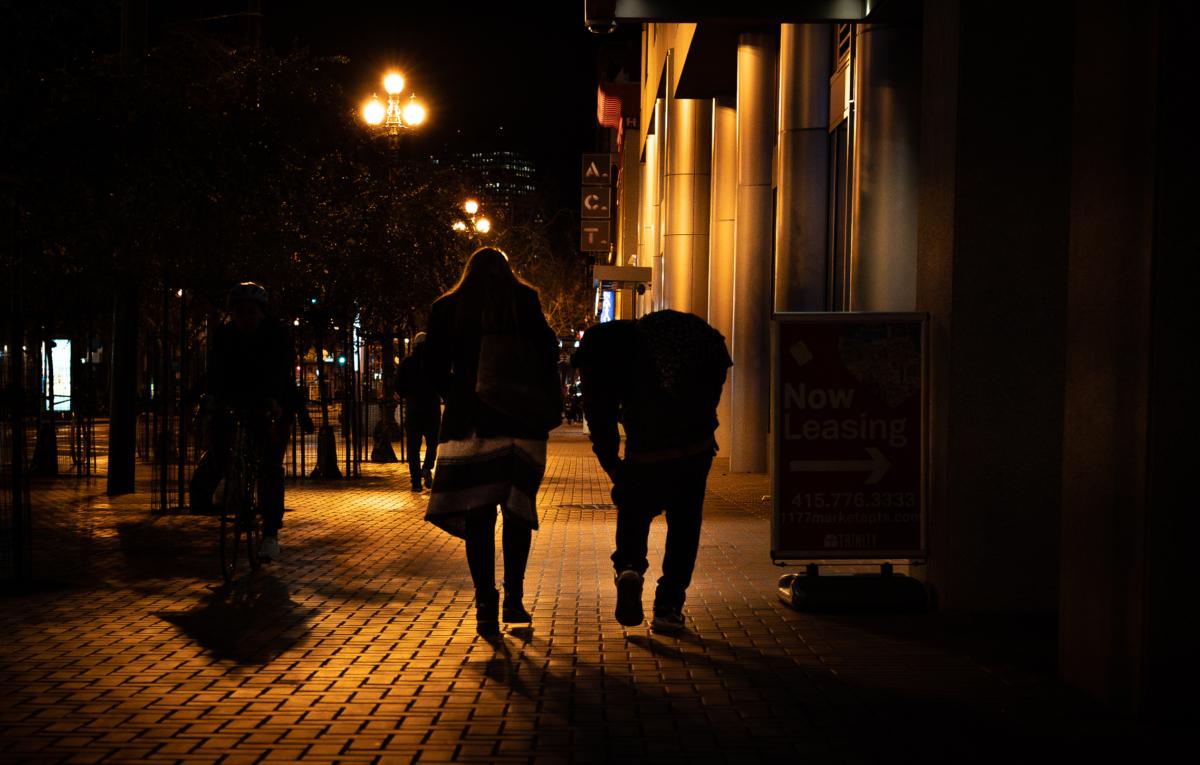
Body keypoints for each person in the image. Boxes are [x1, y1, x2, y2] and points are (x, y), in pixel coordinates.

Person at [423, 247, 559, 638]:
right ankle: (514, 598)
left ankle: (485, 601)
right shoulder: (524, 300)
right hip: (520, 423)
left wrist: (459, 395)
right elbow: (548, 355)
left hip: (471, 425)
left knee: (478, 515)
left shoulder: (448, 307)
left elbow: (431, 366)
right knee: (517, 512)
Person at [572, 310, 731, 633]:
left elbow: (599, 410)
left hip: (645, 451)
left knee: (633, 513)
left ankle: (629, 568)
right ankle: (668, 606)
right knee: (684, 527)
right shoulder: (696, 336)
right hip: (694, 448)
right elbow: (714, 386)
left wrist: (612, 463)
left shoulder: (614, 352)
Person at [207, 282, 313, 561]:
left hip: (271, 402)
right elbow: (216, 371)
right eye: (239, 312)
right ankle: (230, 482)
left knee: (269, 467)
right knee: (219, 435)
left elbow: (280, 371)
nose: (245, 318)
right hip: (237, 398)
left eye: (251, 312)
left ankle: (270, 534)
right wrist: (209, 399)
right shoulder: (226, 335)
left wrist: (274, 402)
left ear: (261, 313)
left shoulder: (276, 334)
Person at [395, 332, 441, 492]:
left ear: (414, 344)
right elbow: (443, 382)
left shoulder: (407, 362)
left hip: (414, 409)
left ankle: (415, 482)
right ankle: (427, 467)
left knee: (413, 448)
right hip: (432, 408)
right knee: (432, 443)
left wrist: (408, 394)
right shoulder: (435, 361)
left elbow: (398, 386)